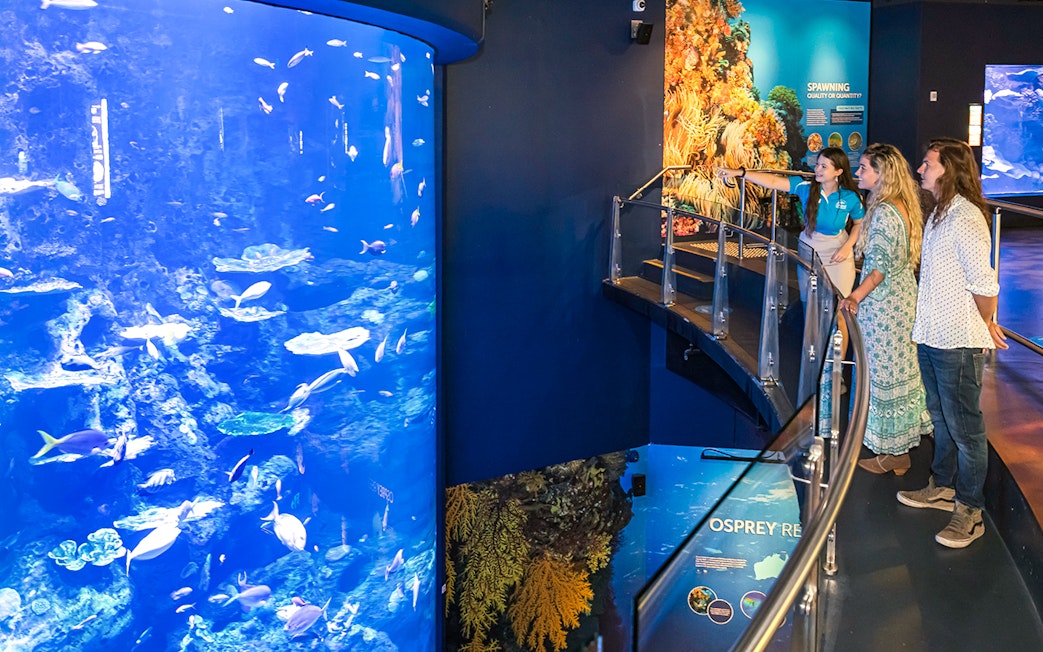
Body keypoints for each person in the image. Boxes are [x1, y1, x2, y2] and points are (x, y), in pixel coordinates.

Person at [896, 138, 1008, 550]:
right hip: (932, 335)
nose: (921, 169)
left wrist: (983, 324)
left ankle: (970, 511)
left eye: (927, 163)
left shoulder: (965, 217)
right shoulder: (940, 213)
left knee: (965, 429)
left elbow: (984, 282)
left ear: (948, 169)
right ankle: (942, 487)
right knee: (940, 418)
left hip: (956, 341)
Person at [838, 143, 933, 475]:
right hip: (901, 301)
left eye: (864, 168)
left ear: (882, 174)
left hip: (884, 309)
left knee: (880, 375)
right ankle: (897, 453)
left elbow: (877, 269)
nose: (858, 173)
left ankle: (892, 453)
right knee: (896, 374)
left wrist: (854, 297)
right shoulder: (900, 207)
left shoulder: (882, 213)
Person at [719, 147, 865, 300]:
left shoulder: (851, 197)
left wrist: (847, 247)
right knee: (809, 302)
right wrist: (740, 173)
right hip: (810, 250)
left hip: (838, 254)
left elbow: (859, 223)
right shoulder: (806, 188)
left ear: (838, 172)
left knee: (840, 303)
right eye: (817, 164)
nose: (817, 169)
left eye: (824, 166)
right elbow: (773, 181)